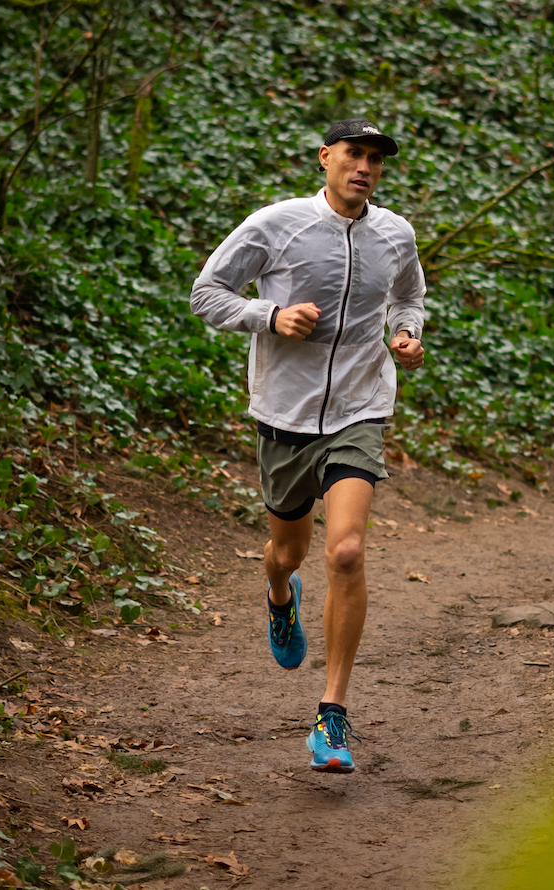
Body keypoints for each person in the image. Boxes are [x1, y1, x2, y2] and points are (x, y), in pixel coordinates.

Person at [189, 118, 426, 773]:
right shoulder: (276, 224)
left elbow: (409, 297)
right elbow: (205, 294)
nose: (365, 167)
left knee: (346, 551)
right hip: (285, 416)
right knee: (286, 551)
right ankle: (278, 595)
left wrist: (405, 334)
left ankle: (331, 716)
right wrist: (269, 317)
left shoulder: (395, 234)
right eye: (354, 153)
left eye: (376, 158)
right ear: (326, 156)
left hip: (361, 407)